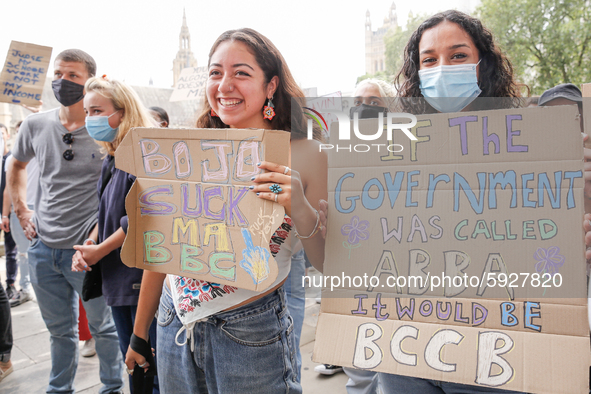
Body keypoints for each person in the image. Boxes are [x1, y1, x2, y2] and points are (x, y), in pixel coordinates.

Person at [125, 28, 326, 393]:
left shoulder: (308, 155)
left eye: (241, 73)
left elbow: (326, 259)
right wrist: (140, 332)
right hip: (174, 323)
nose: (224, 84)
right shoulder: (184, 150)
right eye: (216, 73)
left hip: (250, 331)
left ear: (271, 85)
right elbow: (163, 249)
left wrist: (299, 207)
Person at [382, 9, 527, 394]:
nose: (442, 68)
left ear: (485, 63)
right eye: (429, 60)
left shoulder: (531, 148)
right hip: (404, 346)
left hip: (494, 347)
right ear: (417, 73)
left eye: (458, 55)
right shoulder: (391, 152)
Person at [8, 49, 123, 394]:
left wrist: (98, 236)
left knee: (103, 329)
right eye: (58, 73)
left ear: (89, 80)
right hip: (43, 248)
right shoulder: (34, 125)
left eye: (73, 75)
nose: (62, 81)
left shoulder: (106, 130)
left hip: (87, 252)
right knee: (59, 331)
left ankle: (112, 387)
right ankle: (59, 389)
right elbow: (15, 165)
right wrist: (21, 210)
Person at [71, 75, 159, 393]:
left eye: (97, 111)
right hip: (118, 275)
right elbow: (107, 212)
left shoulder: (144, 153)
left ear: (122, 112)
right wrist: (93, 241)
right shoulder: (114, 155)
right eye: (87, 112)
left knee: (146, 366)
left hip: (139, 278)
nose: (90, 119)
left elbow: (142, 217)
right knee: (135, 364)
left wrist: (100, 250)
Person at [3, 121, 36, 308]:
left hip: (40, 208)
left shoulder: (44, 152)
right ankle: (25, 288)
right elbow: (9, 188)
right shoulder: (12, 159)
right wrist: (5, 214)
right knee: (23, 252)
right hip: (18, 210)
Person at [0, 124, 18, 302]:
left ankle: (11, 284)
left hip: (7, 211)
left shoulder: (12, 157)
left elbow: (9, 188)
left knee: (11, 250)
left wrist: (5, 214)